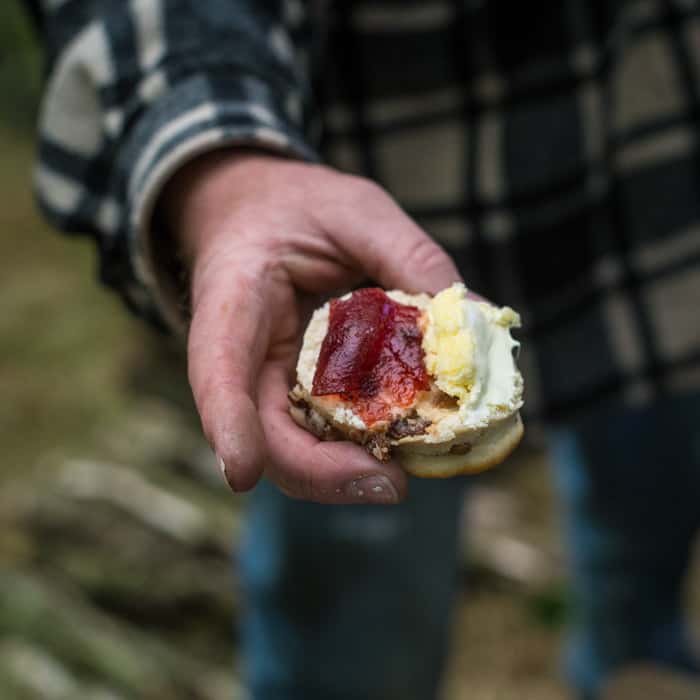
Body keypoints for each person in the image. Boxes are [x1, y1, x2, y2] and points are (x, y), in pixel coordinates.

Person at [25, 1, 700, 699]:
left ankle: (637, 664)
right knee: (355, 617)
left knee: (654, 509)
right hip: (360, 209)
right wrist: (220, 163)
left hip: (660, 191)